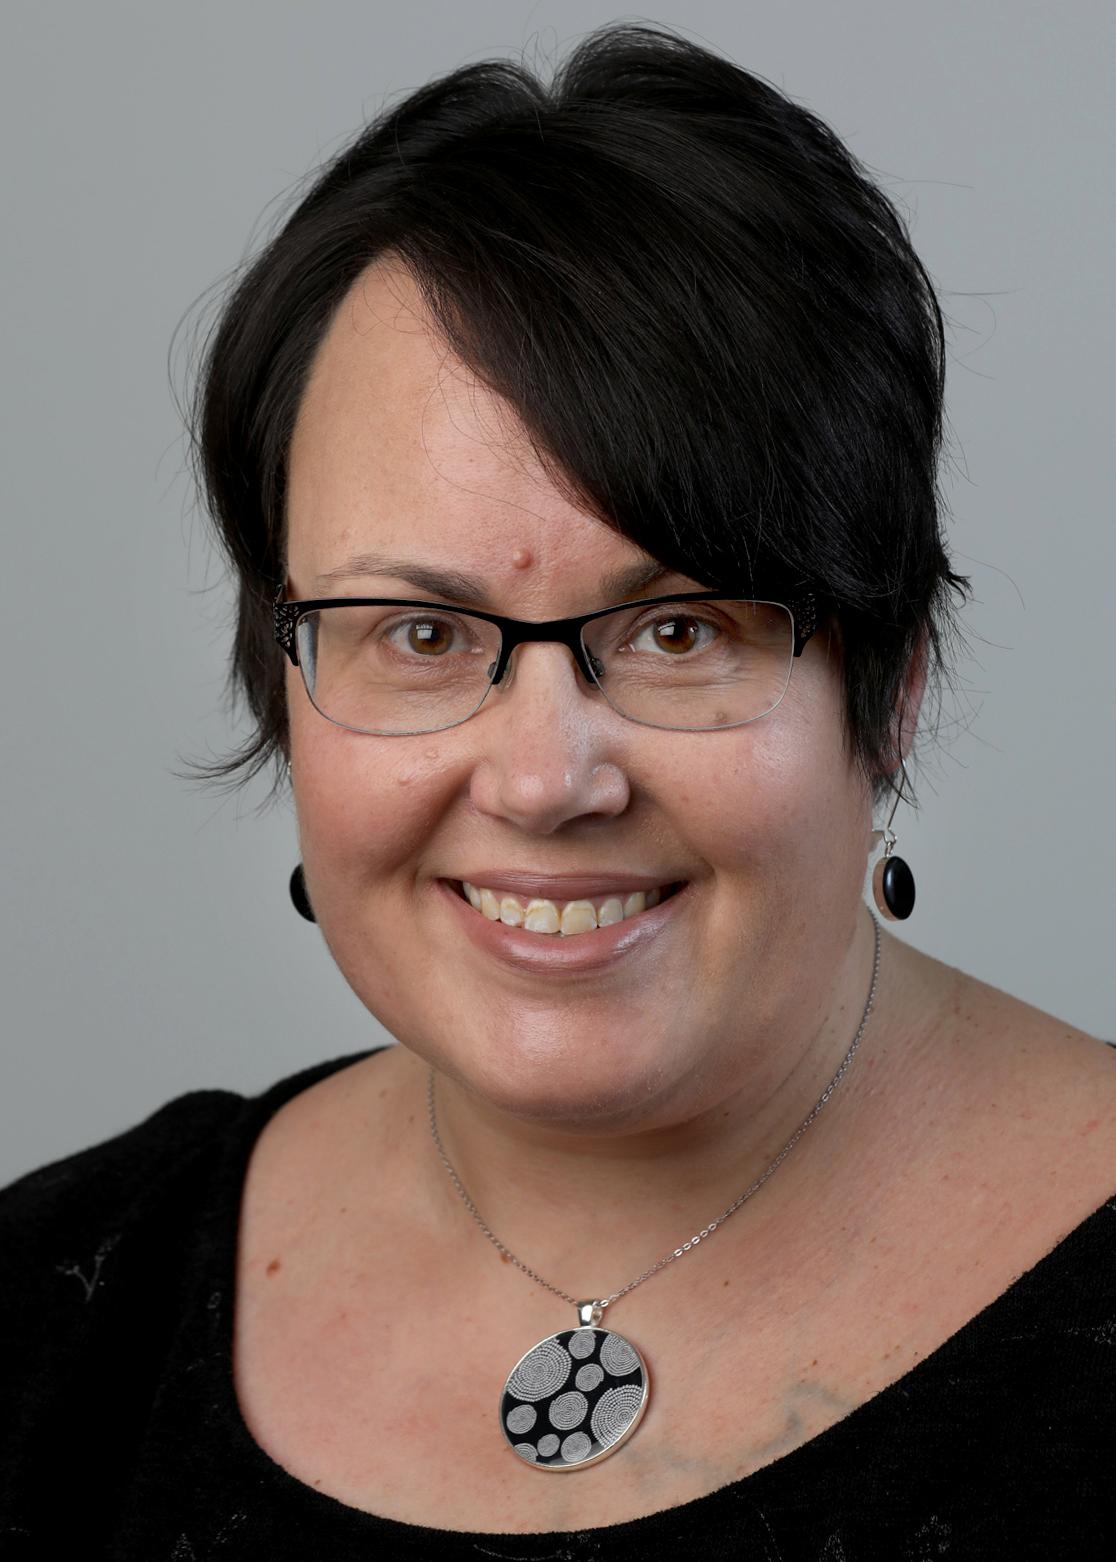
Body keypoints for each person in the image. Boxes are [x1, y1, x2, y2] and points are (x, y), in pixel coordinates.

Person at [2, 21, 1112, 1559]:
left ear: (896, 677)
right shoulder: (51, 1313)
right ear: (282, 673)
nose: (543, 778)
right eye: (420, 632)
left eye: (676, 629)